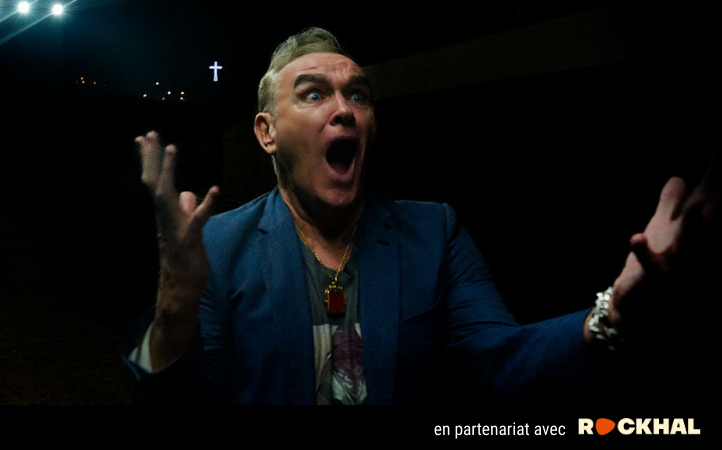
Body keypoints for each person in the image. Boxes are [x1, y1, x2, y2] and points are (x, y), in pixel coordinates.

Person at [123, 27, 719, 404]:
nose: (345, 109)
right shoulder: (220, 245)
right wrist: (175, 302)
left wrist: (611, 313)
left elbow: (503, 360)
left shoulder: (434, 232)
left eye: (358, 94)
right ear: (266, 132)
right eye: (313, 94)